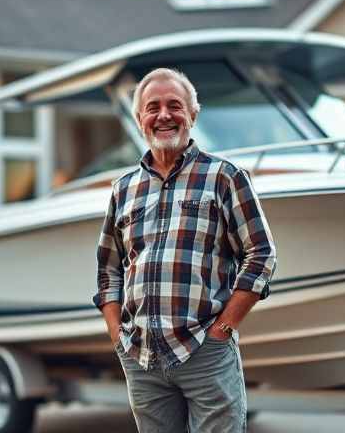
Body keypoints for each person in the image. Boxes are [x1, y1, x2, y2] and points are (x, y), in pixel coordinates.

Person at [93, 68, 277, 432]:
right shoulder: (123, 189)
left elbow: (261, 254)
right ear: (140, 119)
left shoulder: (225, 177)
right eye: (153, 107)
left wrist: (223, 329)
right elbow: (108, 269)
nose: (164, 115)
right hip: (142, 358)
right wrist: (118, 337)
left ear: (193, 114)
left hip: (204, 351)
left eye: (174, 105)